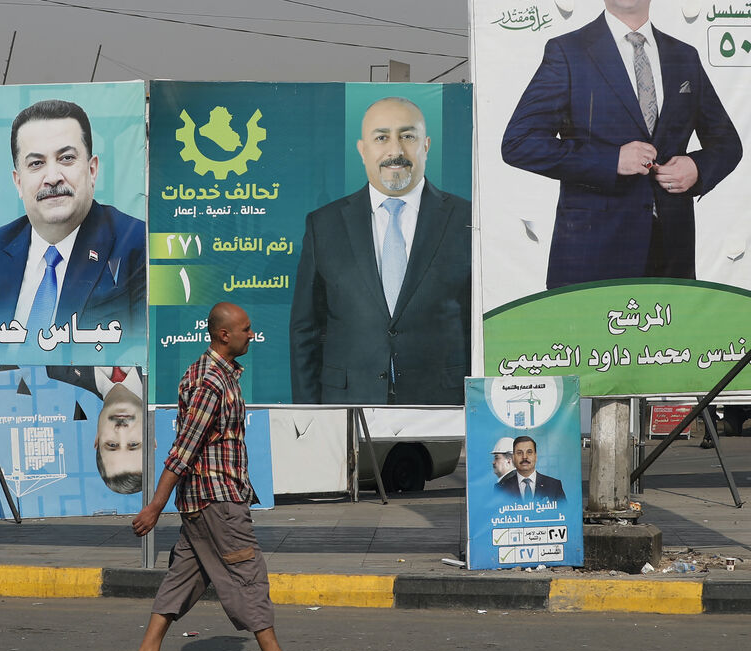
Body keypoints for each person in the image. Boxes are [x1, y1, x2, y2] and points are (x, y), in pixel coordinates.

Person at [127, 302, 323, 651]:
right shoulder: (211, 382)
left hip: (208, 499)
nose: (253, 335)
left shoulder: (217, 375)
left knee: (185, 577)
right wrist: (154, 505)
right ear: (224, 335)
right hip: (216, 500)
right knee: (248, 574)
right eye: (247, 329)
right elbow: (184, 449)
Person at [501, 0, 742, 288]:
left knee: (668, 335)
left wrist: (697, 167)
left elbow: (727, 143)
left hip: (671, 255)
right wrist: (609, 160)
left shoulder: (684, 56)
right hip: (593, 254)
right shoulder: (568, 51)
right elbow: (519, 142)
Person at [289, 96, 471, 406]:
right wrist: (310, 416)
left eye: (407, 136)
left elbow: (476, 325)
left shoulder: (468, 220)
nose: (395, 150)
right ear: (363, 149)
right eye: (381, 137)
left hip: (441, 404)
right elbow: (306, 330)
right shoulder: (324, 225)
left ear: (426, 144)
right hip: (347, 405)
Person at [0, 99, 145, 340]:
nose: (52, 177)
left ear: (92, 170)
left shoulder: (137, 245)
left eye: (66, 158)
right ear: (18, 182)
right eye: (36, 163)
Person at [47, 365, 144, 494]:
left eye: (112, 444)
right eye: (133, 444)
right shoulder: (174, 371)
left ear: (97, 439)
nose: (121, 430)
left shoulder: (58, 369)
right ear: (151, 439)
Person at [495, 435, 566, 502]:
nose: (524, 457)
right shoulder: (501, 489)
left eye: (529, 452)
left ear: (535, 456)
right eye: (519, 453)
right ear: (513, 457)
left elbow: (564, 513)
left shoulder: (554, 486)